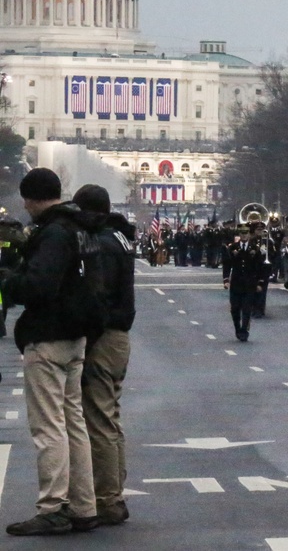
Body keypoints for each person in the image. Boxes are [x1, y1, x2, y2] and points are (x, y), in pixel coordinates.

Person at [2, 169, 100, 535]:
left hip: (49, 334)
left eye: (26, 201)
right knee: (73, 422)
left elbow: (39, 286)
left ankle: (53, 505)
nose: (25, 207)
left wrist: (11, 282)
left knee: (48, 427)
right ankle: (83, 504)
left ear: (32, 198)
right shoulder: (79, 227)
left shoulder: (53, 233)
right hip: (76, 334)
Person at [72, 184, 135, 526]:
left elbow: (99, 294)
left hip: (105, 334)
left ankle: (107, 496)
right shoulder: (120, 239)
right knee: (108, 415)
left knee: (98, 417)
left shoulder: (105, 244)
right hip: (118, 334)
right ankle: (112, 491)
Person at [222, 224, 267, 341]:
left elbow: (260, 267)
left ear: (249, 234)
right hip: (236, 282)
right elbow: (227, 265)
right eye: (242, 233)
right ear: (239, 235)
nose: (244, 235)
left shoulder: (255, 249)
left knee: (247, 308)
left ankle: (244, 330)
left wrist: (260, 283)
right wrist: (226, 279)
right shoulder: (232, 248)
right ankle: (237, 327)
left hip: (249, 283)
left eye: (246, 233)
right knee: (235, 308)